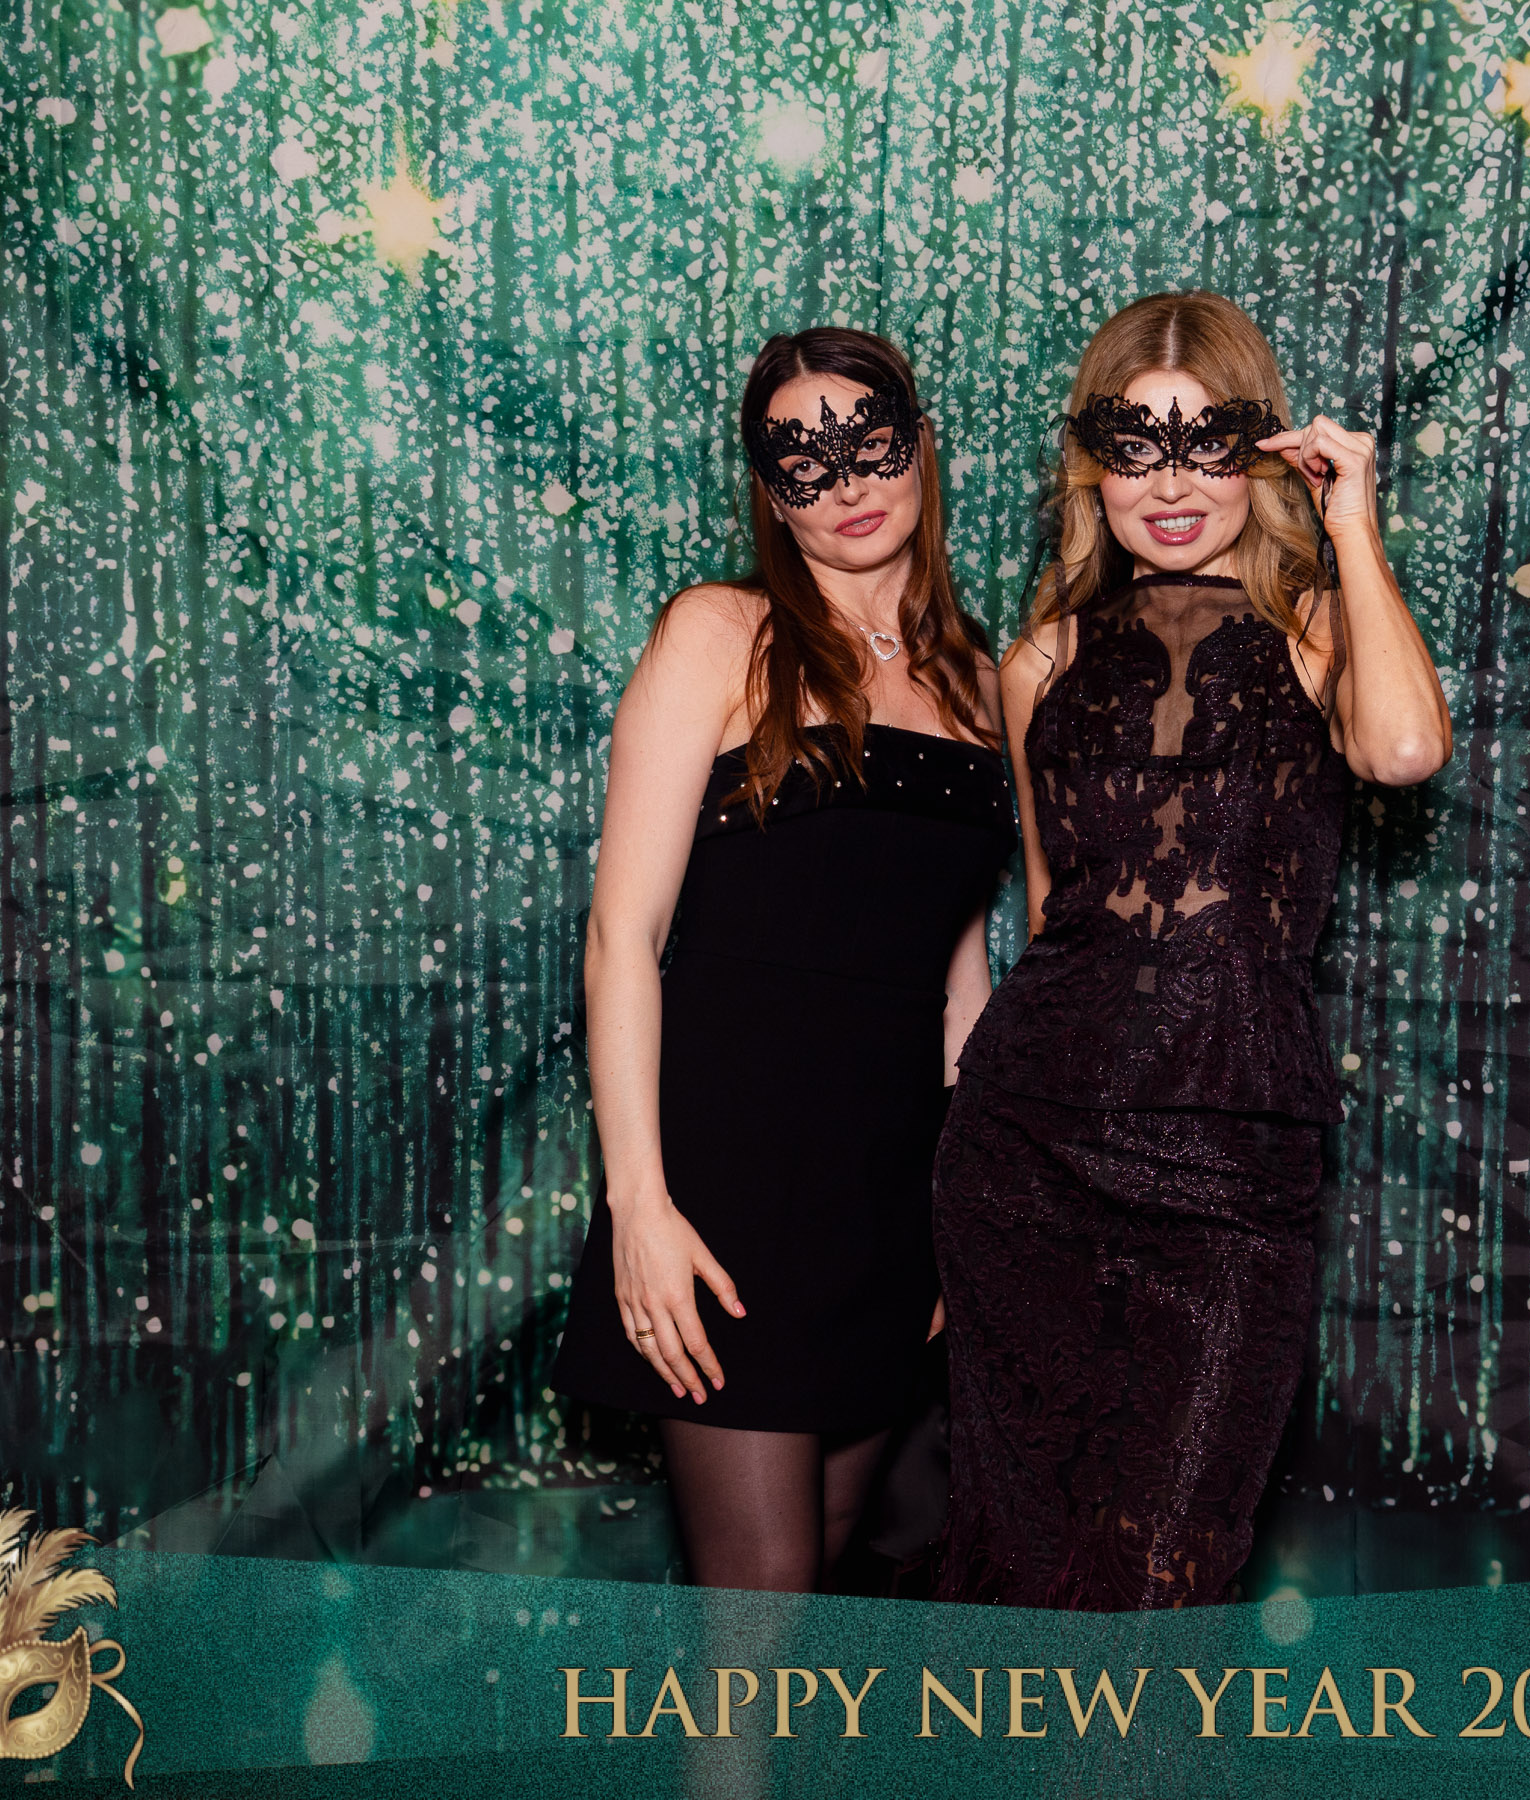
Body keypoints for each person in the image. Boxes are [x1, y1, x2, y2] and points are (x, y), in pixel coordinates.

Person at [933, 291, 1451, 1609]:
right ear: (1091, 465)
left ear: (1264, 452)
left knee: (1164, 1582)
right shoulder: (1041, 657)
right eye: (1135, 445)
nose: (1169, 484)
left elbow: (1403, 751)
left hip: (1232, 1170)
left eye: (1205, 443)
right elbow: (1053, 908)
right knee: (1023, 1575)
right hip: (1025, 1159)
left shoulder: (1323, 629)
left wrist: (1351, 521)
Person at [551, 328, 1012, 1592]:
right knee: (758, 1610)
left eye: (869, 443)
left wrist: (959, 1218)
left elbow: (958, 976)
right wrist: (639, 1207)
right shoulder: (720, 633)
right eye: (803, 461)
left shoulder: (981, 681)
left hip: (892, 1196)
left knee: (811, 1597)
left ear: (921, 447)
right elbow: (623, 937)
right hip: (730, 1186)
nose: (846, 481)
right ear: (768, 491)